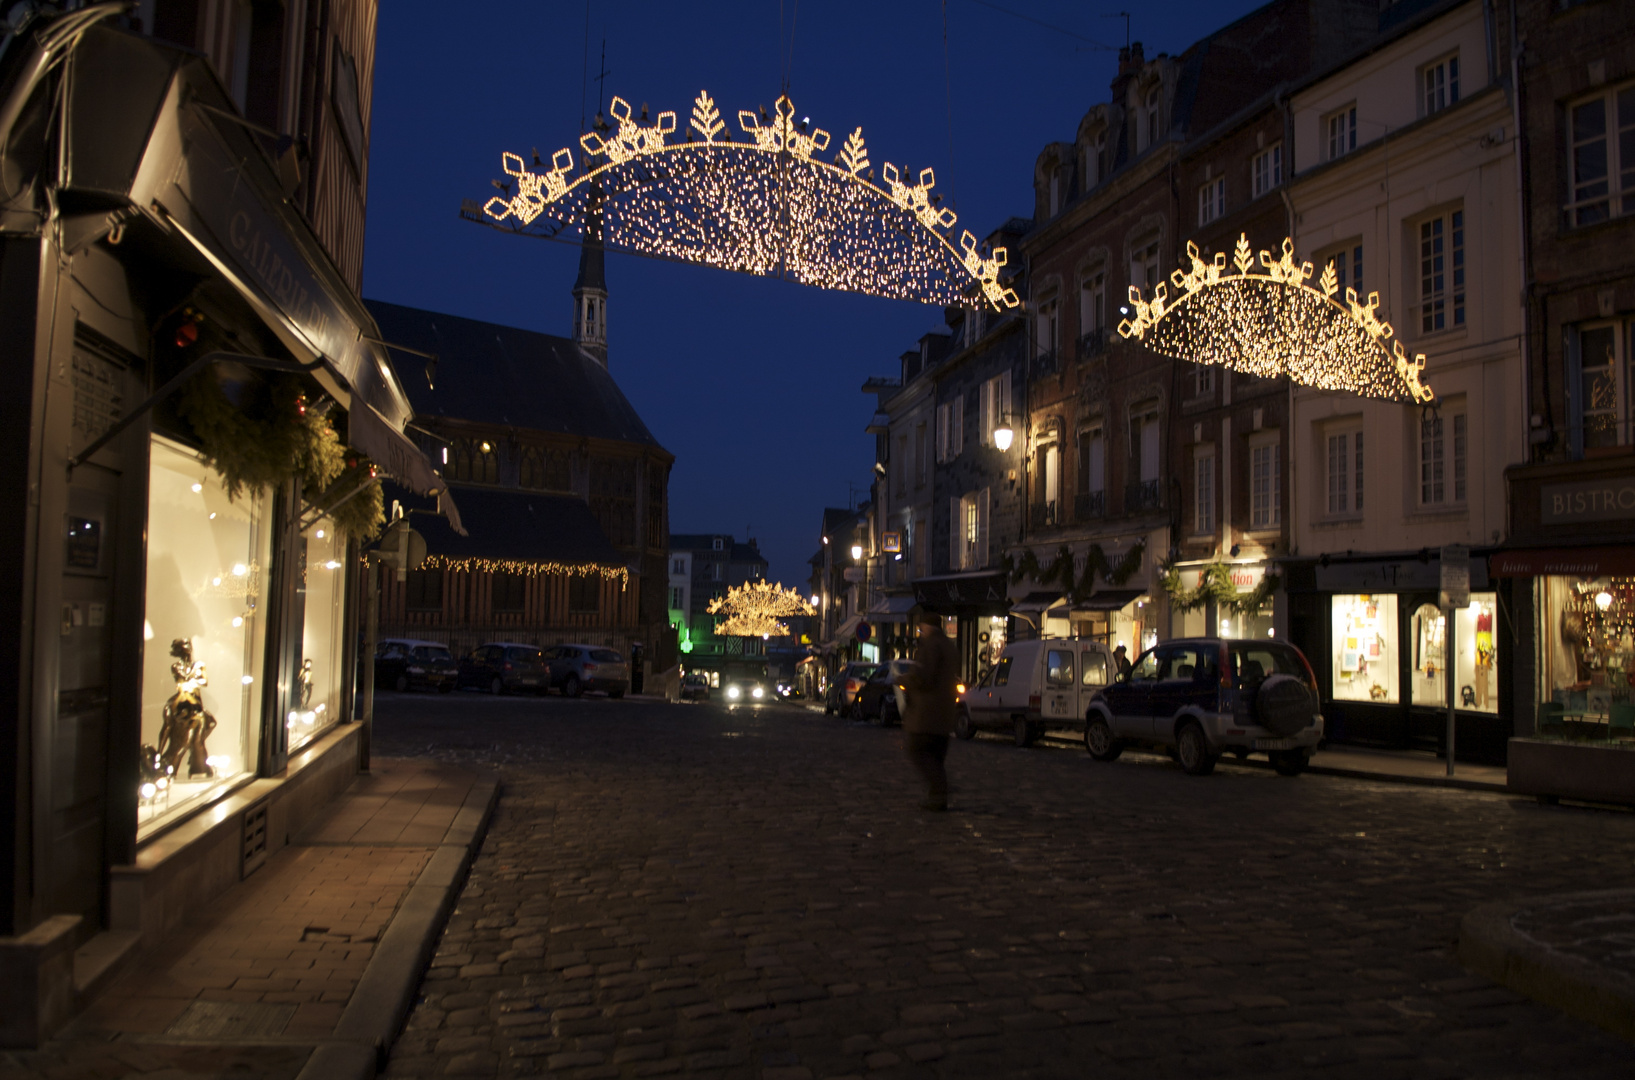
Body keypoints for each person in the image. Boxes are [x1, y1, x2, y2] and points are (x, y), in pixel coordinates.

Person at [901, 613, 959, 811]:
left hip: (927, 713)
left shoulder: (931, 646)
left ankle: (940, 790)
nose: (920, 632)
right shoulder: (949, 646)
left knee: (918, 751)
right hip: (945, 712)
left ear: (926, 626)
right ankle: (937, 798)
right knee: (936, 755)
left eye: (920, 628)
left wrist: (904, 680)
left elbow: (924, 677)